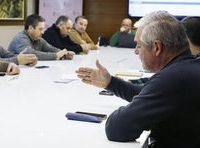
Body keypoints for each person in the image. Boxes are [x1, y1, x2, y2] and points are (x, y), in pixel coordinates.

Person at [76, 11, 200, 147]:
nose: (136, 51)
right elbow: (151, 95)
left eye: (139, 45)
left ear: (157, 47)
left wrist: (134, 110)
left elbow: (117, 128)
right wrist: (110, 82)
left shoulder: (172, 78)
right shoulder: (188, 68)